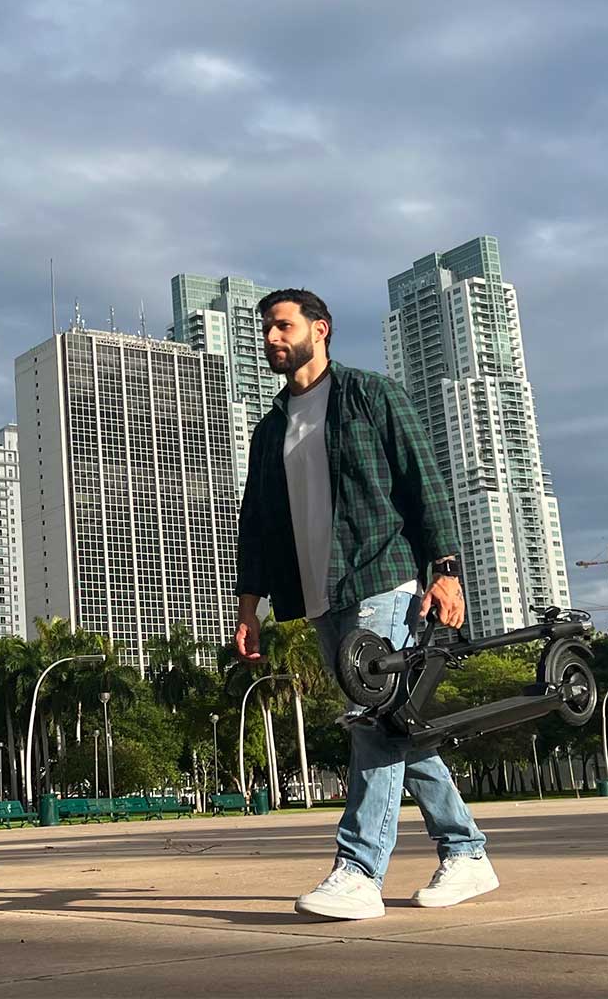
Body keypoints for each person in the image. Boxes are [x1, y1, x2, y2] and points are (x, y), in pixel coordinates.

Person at [233, 288, 496, 921]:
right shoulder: (271, 430)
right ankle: (465, 852)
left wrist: (446, 572)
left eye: (281, 325)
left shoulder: (370, 395)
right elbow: (256, 526)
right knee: (397, 723)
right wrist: (249, 608)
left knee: (371, 718)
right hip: (318, 596)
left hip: (382, 578)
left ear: (318, 329)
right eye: (265, 328)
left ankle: (357, 871)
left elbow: (423, 482)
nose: (270, 336)